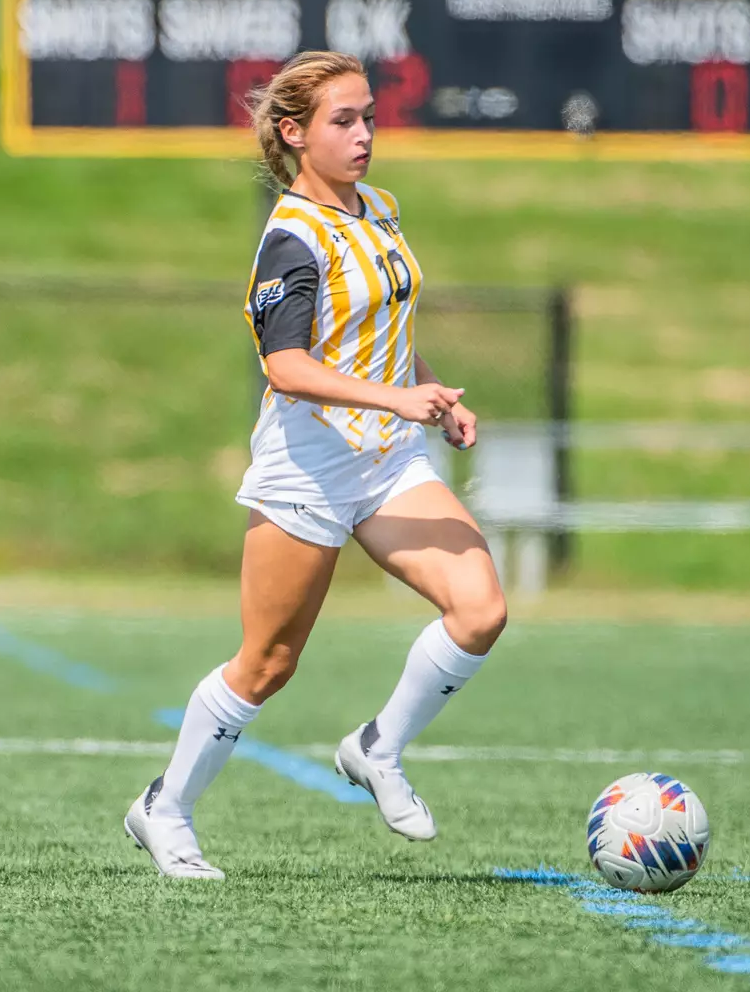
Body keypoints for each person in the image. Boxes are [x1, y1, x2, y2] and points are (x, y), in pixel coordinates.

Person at [124, 52, 508, 879]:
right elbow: (285, 366)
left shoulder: (381, 208)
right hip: (310, 467)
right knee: (267, 663)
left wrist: (430, 388)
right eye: (344, 121)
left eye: (368, 116)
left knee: (479, 610)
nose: (364, 134)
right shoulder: (291, 237)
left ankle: (377, 748)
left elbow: (386, 332)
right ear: (294, 134)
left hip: (387, 458)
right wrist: (394, 399)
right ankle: (165, 808)